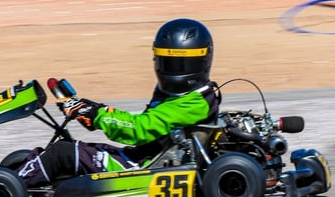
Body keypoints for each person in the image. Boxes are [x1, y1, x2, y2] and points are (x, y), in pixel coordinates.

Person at [17, 18, 222, 187]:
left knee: (62, 152)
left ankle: (4, 187)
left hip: (142, 169)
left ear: (201, 61)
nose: (173, 69)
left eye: (181, 63)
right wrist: (90, 110)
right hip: (141, 156)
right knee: (65, 149)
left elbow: (138, 128)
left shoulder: (193, 102)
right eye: (166, 62)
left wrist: (97, 114)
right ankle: (15, 177)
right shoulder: (185, 95)